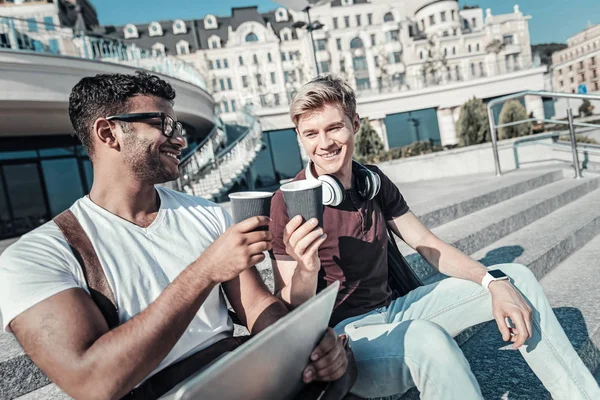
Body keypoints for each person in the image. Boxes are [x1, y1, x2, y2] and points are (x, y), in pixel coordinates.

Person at [0, 71, 349, 400]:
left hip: (240, 377)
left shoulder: (206, 214)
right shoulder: (36, 256)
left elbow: (257, 306)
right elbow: (93, 382)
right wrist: (205, 271)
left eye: (178, 125)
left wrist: (308, 345)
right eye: (162, 124)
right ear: (108, 134)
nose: (180, 138)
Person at [269, 75, 600, 399]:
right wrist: (306, 269)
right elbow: (290, 309)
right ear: (299, 136)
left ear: (355, 124)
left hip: (397, 311)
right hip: (347, 340)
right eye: (311, 133)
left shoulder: (372, 181)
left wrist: (491, 282)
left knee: (516, 279)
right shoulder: (288, 202)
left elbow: (429, 244)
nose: (324, 143)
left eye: (334, 127)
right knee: (426, 338)